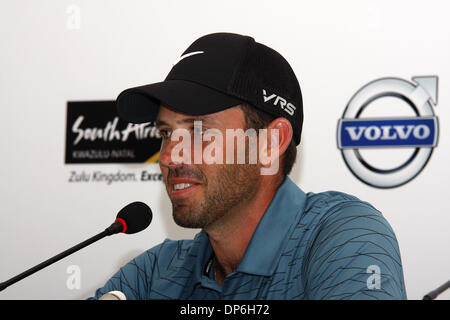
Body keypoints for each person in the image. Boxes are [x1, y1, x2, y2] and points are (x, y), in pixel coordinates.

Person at [89, 33, 407, 300]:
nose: (170, 156)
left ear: (270, 143)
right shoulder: (154, 272)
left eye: (199, 131)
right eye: (166, 133)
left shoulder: (344, 236)